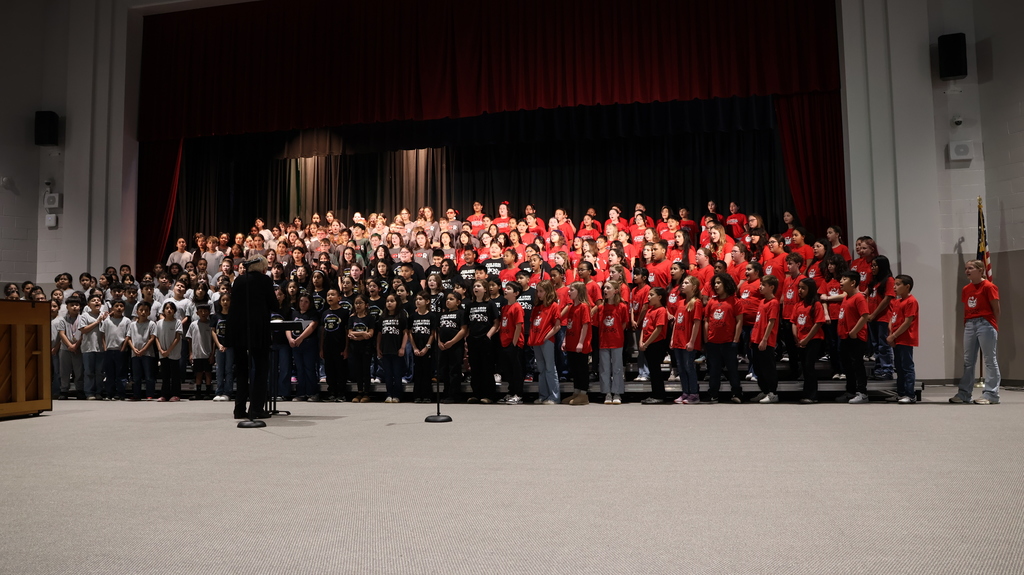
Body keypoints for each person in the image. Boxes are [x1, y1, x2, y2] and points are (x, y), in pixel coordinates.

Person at [228, 254, 281, 418]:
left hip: (238, 331)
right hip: (257, 331)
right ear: (263, 268)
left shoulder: (238, 280)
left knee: (242, 369)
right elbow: (274, 305)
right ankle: (256, 408)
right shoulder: (265, 281)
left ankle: (239, 409)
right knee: (260, 369)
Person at [952, 260, 1001, 405]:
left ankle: (991, 394)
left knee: (989, 360)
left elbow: (996, 309)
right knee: (968, 361)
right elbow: (967, 308)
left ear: (980, 270)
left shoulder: (989, 286)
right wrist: (967, 324)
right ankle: (964, 394)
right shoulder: (966, 288)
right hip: (970, 324)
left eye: (971, 268)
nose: (967, 271)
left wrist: (993, 326)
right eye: (966, 268)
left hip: (985, 323)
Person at [704, 273, 744, 403]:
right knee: (714, 370)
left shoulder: (735, 301)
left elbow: (739, 321)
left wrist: (736, 340)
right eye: (714, 283)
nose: (716, 285)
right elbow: (706, 320)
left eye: (719, 283)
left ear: (726, 284)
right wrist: (706, 338)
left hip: (728, 342)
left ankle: (736, 393)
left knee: (732, 369)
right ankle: (713, 394)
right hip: (713, 342)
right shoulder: (711, 301)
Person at [836, 271, 870, 404]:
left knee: (857, 365)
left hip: (855, 338)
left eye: (844, 279)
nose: (841, 281)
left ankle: (862, 393)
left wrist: (854, 332)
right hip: (845, 337)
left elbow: (865, 315)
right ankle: (850, 391)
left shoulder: (859, 297)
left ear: (853, 282)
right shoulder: (846, 297)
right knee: (848, 366)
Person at [465, 279, 500, 403]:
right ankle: (476, 394)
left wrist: (488, 335)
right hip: (473, 340)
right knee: (475, 368)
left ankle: (488, 395)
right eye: (474, 286)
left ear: (485, 289)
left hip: (485, 340)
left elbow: (496, 323)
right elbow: (467, 325)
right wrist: (466, 339)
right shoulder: (469, 305)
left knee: (487, 368)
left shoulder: (490, 304)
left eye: (479, 286)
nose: (476, 288)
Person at [886, 275, 919, 404]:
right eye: (894, 284)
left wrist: (893, 336)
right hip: (896, 339)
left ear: (907, 287)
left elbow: (907, 322)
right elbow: (892, 319)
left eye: (898, 284)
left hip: (905, 339)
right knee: (898, 367)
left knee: (907, 367)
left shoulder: (911, 301)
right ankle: (900, 393)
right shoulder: (896, 302)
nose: (894, 287)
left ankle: (910, 394)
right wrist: (891, 334)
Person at [792, 278, 826, 404]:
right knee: (804, 368)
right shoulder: (798, 305)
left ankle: (812, 395)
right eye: (799, 288)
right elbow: (794, 322)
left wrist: (806, 339)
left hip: (813, 340)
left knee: (809, 366)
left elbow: (818, 323)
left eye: (803, 288)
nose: (800, 290)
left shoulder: (816, 305)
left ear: (810, 290)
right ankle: (806, 393)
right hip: (800, 340)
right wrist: (796, 336)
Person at [670, 275, 703, 404]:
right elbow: (676, 323)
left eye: (686, 283)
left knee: (689, 367)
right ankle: (685, 392)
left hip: (688, 341)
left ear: (694, 287)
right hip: (678, 340)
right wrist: (672, 338)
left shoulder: (696, 303)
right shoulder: (680, 303)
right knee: (681, 368)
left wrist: (692, 341)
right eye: (682, 282)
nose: (683, 285)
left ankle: (694, 393)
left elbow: (696, 323)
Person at [529, 280, 562, 404]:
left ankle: (554, 397)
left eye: (541, 291)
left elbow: (557, 326)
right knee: (541, 369)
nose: (538, 294)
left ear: (548, 292)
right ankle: (543, 395)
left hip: (547, 340)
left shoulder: (554, 306)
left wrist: (546, 337)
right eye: (537, 291)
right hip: (537, 340)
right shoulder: (537, 307)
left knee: (550, 368)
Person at [561, 281, 593, 405]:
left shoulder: (584, 306)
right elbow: (568, 326)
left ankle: (583, 394)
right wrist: (564, 340)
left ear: (579, 292)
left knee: (581, 369)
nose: (569, 292)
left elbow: (585, 325)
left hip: (580, 343)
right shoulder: (571, 307)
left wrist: (581, 342)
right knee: (574, 369)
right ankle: (576, 392)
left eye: (572, 290)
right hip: (570, 341)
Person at [751, 274, 781, 404]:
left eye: (763, 285)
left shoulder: (774, 303)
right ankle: (764, 390)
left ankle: (772, 393)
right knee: (758, 368)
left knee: (768, 368)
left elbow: (771, 322)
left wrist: (764, 339)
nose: (760, 287)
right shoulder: (762, 301)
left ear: (772, 287)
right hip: (756, 339)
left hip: (766, 341)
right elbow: (758, 321)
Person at [638, 287, 669, 404]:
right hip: (647, 345)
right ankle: (655, 393)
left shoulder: (661, 310)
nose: (648, 297)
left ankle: (659, 395)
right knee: (652, 370)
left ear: (660, 297)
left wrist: (646, 343)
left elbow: (658, 329)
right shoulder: (649, 310)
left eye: (651, 295)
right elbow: (644, 327)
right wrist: (641, 342)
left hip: (656, 344)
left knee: (655, 371)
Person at [436, 291, 468, 403]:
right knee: (443, 370)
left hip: (455, 345)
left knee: (454, 370)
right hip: (443, 346)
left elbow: (463, 330)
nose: (448, 301)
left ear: (458, 302)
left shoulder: (461, 313)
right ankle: (446, 393)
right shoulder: (442, 314)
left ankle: (454, 394)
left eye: (451, 299)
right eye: (447, 299)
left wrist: (452, 342)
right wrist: (439, 342)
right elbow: (438, 330)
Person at [289, 293, 321, 402]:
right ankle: (301, 393)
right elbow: (288, 326)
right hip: (296, 345)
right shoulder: (294, 313)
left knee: (309, 369)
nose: (303, 304)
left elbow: (312, 326)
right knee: (300, 369)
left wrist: (301, 338)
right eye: (301, 301)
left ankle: (312, 392)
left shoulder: (313, 314)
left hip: (308, 344)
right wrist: (290, 339)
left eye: (306, 302)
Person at [319, 288, 350, 402]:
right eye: (328, 295)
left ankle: (341, 394)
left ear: (339, 298)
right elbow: (323, 331)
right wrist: (321, 348)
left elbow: (347, 331)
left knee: (340, 371)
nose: (330, 297)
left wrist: (346, 348)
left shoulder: (344, 312)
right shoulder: (325, 313)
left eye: (332, 295)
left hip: (340, 346)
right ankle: (331, 392)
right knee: (329, 371)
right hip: (328, 346)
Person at [498, 282, 526, 405]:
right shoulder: (504, 308)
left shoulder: (517, 307)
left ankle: (518, 394)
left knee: (516, 370)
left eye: (509, 289)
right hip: (504, 343)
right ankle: (511, 391)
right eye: (506, 288)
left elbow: (518, 326)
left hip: (514, 343)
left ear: (516, 293)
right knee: (508, 370)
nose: (505, 290)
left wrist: (514, 343)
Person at [346, 294, 377, 402]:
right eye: (356, 303)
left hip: (366, 348)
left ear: (366, 305)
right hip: (355, 348)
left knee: (366, 370)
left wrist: (358, 336)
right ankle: (359, 392)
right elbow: (350, 332)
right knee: (357, 370)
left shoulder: (370, 318)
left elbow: (370, 334)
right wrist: (363, 333)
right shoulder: (352, 318)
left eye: (360, 303)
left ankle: (366, 393)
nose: (358, 305)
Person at [100, 299, 131, 400]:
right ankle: (110, 393)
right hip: (109, 350)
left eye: (121, 306)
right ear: (112, 308)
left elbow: (128, 335)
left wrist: (123, 347)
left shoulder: (127, 321)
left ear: (124, 308)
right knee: (109, 374)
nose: (119, 308)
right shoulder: (107, 321)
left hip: (121, 351)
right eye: (116, 306)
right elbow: (103, 335)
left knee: (121, 373)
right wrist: (105, 347)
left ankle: (120, 393)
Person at [125, 300, 157, 401]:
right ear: (137, 312)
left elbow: (152, 338)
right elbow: (128, 338)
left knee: (149, 376)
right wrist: (134, 349)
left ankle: (149, 394)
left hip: (148, 353)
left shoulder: (151, 324)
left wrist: (143, 349)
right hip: (135, 354)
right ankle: (136, 394)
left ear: (149, 312)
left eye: (146, 310)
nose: (143, 312)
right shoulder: (132, 324)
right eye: (141, 310)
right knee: (136, 376)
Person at [154, 301, 184, 402]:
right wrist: (161, 350)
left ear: (174, 311)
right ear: (163, 311)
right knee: (165, 375)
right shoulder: (159, 323)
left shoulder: (178, 322)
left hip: (173, 353)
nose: (169, 310)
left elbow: (177, 338)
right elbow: (156, 337)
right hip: (162, 353)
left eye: (171, 308)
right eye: (166, 308)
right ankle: (164, 395)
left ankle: (175, 394)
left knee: (175, 375)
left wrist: (169, 350)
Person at [57, 296, 84, 400]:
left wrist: (76, 346)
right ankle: (64, 390)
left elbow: (83, 334)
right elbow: (61, 334)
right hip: (65, 349)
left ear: (80, 307)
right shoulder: (63, 320)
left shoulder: (83, 319)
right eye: (72, 305)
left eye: (76, 305)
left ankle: (79, 390)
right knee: (64, 370)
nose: (74, 307)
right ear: (67, 307)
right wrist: (70, 345)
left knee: (79, 371)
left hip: (78, 348)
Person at [210, 293, 233, 401]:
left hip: (230, 347)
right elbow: (213, 332)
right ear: (220, 302)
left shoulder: (233, 316)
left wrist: (228, 344)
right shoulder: (216, 316)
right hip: (220, 347)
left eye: (227, 300)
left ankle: (227, 392)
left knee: (228, 369)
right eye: (223, 300)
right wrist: (219, 345)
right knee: (219, 369)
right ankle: (219, 391)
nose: (225, 302)